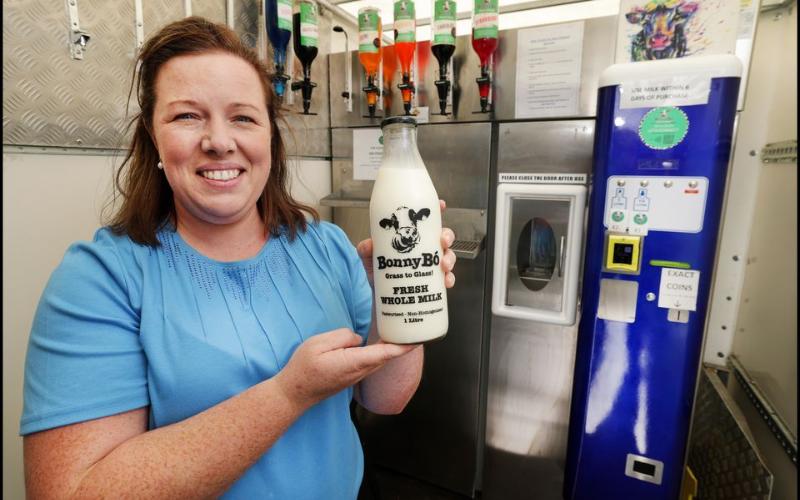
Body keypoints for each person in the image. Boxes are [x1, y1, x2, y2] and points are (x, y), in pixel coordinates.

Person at [20, 17, 456, 499]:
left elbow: (384, 399)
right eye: (187, 116)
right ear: (153, 136)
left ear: (270, 135)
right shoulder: (100, 280)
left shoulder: (327, 247)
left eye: (243, 117)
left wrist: (395, 308)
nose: (220, 141)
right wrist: (287, 395)